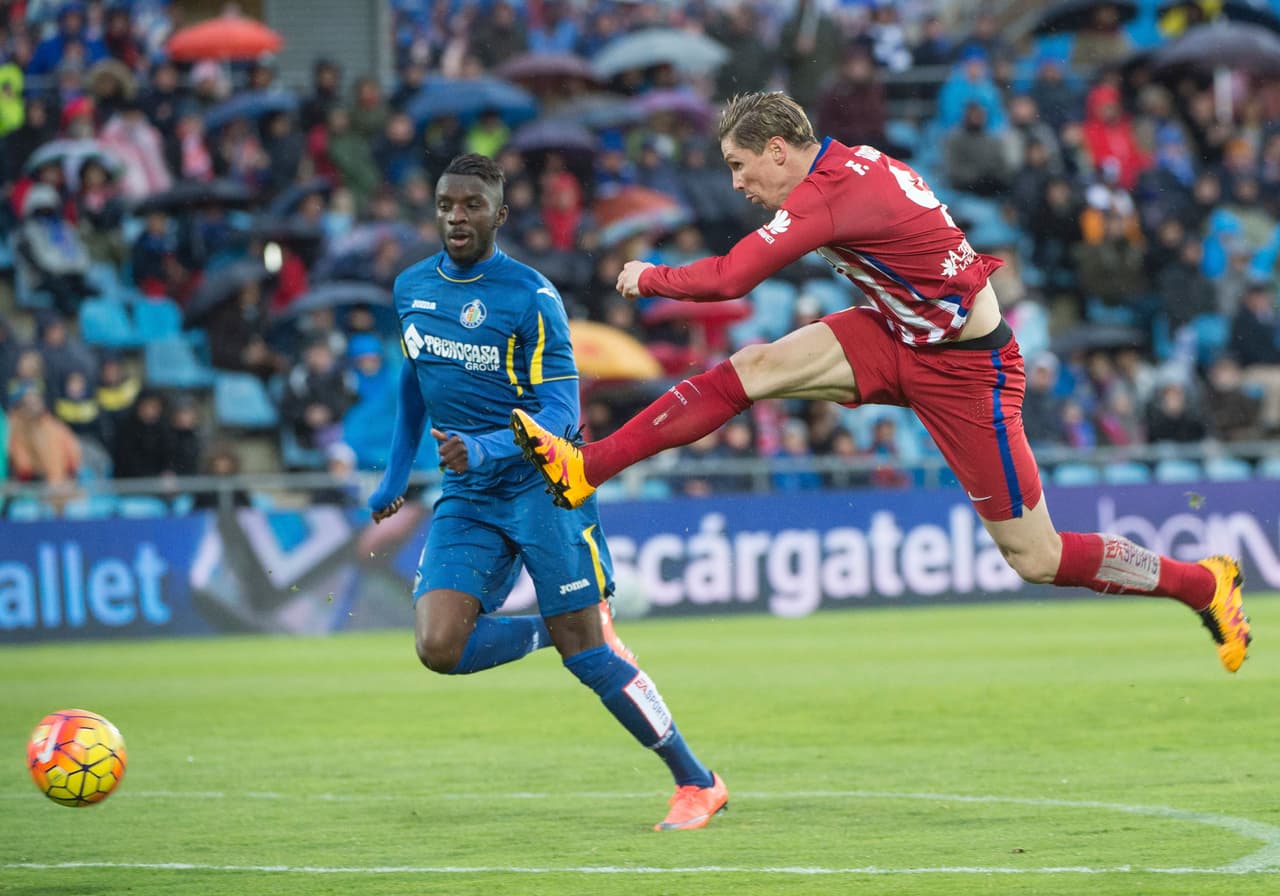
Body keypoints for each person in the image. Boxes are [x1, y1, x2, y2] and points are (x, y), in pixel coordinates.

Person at [512, 92, 1251, 675]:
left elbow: (732, 277)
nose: (737, 183)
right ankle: (586, 468)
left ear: (779, 149)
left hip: (970, 370)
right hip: (897, 333)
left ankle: (1202, 583)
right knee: (754, 368)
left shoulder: (832, 192)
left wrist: (651, 276)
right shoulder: (848, 168)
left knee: (1038, 557)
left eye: (741, 165)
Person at [367, 153, 728, 830]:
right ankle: (549, 632)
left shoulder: (530, 297)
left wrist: (484, 445)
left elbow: (561, 416)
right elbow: (417, 379)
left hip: (546, 488)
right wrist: (393, 477)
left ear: (500, 215)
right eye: (446, 205)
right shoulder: (412, 287)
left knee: (589, 657)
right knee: (439, 647)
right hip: (469, 494)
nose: (456, 217)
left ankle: (697, 782)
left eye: (472, 205)